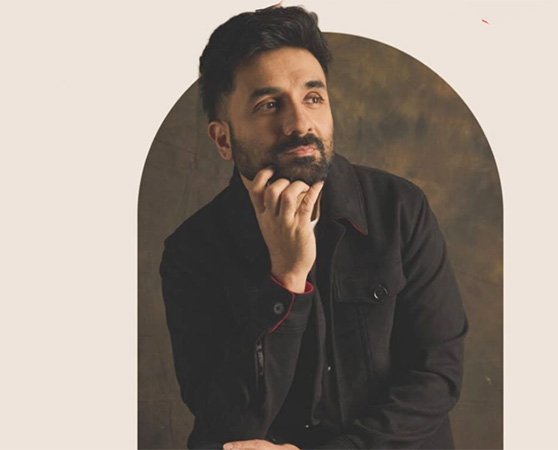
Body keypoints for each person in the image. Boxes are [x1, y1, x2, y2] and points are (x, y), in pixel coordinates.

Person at [160, 5, 467, 449]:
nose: (300, 124)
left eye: (313, 98)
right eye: (269, 105)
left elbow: (437, 375)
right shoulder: (192, 251)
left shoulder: (400, 207)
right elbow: (225, 423)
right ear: (223, 138)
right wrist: (286, 279)